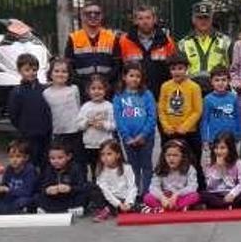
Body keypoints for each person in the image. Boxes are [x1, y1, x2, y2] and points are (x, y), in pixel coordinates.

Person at [158, 53, 204, 185]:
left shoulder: (194, 87)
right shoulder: (165, 86)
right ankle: (170, 187)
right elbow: (161, 109)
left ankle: (198, 190)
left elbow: (197, 110)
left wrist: (185, 126)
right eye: (173, 69)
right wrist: (166, 126)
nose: (176, 71)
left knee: (193, 162)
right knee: (170, 162)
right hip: (170, 133)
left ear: (186, 69)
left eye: (180, 68)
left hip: (189, 133)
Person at [113, 62, 157, 198]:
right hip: (128, 138)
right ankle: (135, 192)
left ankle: (146, 193)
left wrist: (143, 134)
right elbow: (118, 118)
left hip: (146, 137)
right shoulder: (118, 96)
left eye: (138, 76)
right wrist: (127, 137)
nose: (135, 79)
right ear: (124, 77)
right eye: (131, 75)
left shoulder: (147, 94)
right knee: (133, 167)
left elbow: (152, 116)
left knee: (146, 165)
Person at [117, 6, 178, 99]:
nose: (145, 22)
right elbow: (119, 69)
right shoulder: (124, 41)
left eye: (148, 18)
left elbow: (173, 70)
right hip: (132, 96)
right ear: (135, 21)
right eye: (140, 18)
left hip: (161, 95)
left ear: (154, 19)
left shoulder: (167, 41)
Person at [7, 53, 52, 171]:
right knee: (29, 164)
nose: (31, 73)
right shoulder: (16, 92)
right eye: (27, 70)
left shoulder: (44, 89)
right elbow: (13, 115)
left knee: (46, 163)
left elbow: (49, 110)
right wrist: (23, 127)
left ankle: (44, 186)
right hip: (28, 136)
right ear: (19, 71)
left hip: (45, 134)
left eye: (34, 69)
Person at [177, 0, 232, 94]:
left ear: (211, 19)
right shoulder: (183, 43)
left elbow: (233, 67)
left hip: (219, 89)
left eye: (206, 18)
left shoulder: (225, 41)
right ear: (193, 19)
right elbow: (178, 70)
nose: (203, 21)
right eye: (199, 18)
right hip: (191, 90)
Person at [64, 2, 121, 90]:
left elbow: (118, 65)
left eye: (97, 13)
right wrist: (83, 83)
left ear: (102, 16)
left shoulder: (112, 37)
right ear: (82, 16)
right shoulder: (73, 38)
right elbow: (69, 66)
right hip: (81, 88)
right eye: (88, 13)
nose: (93, 16)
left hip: (107, 87)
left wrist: (105, 82)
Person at [44, 57, 84, 170]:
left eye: (64, 71)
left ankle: (80, 183)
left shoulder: (74, 89)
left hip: (75, 131)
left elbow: (78, 106)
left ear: (69, 74)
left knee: (78, 160)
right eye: (56, 71)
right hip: (58, 133)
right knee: (61, 162)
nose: (60, 74)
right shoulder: (46, 93)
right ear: (50, 73)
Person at [143, 139, 200, 213]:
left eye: (175, 155)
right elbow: (153, 187)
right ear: (164, 156)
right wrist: (162, 198)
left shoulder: (189, 168)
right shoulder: (160, 168)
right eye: (168, 155)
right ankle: (164, 208)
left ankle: (174, 207)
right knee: (147, 197)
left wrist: (177, 194)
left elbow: (193, 186)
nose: (171, 158)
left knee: (195, 196)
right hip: (164, 198)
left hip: (180, 197)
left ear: (182, 156)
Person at [76, 75, 115, 180]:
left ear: (105, 90)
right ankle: (96, 189)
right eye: (93, 89)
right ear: (88, 91)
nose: (96, 91)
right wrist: (87, 122)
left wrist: (104, 125)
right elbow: (79, 125)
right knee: (94, 169)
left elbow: (114, 125)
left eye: (100, 88)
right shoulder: (85, 107)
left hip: (105, 144)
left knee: (107, 168)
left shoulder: (109, 106)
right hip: (90, 145)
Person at [88, 139, 137, 222]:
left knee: (137, 202)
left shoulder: (127, 168)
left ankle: (116, 210)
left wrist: (128, 203)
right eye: (102, 154)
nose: (105, 158)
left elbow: (132, 187)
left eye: (109, 154)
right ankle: (108, 210)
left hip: (124, 198)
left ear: (118, 155)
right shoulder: (101, 171)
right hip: (110, 200)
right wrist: (118, 204)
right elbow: (105, 191)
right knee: (93, 188)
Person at [34, 140, 88, 214]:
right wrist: (48, 190)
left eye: (60, 158)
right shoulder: (48, 169)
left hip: (70, 197)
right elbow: (41, 186)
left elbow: (82, 186)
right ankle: (46, 208)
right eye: (52, 158)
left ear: (68, 157)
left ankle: (75, 208)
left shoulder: (75, 168)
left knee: (84, 194)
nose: (56, 161)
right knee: (37, 196)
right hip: (54, 197)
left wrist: (70, 188)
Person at [0, 139, 37, 215]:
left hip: (23, 197)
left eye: (18, 157)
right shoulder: (9, 169)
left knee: (22, 201)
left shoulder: (30, 170)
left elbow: (27, 192)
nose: (14, 160)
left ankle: (1, 210)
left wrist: (8, 190)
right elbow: (4, 183)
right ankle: (10, 211)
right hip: (10, 197)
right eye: (11, 157)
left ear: (26, 158)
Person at [201, 132, 241, 209]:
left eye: (222, 148)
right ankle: (227, 205)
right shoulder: (210, 162)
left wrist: (232, 194)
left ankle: (224, 205)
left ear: (230, 148)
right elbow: (209, 186)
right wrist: (219, 169)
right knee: (203, 195)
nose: (218, 151)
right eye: (216, 148)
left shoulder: (237, 162)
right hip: (216, 193)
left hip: (232, 193)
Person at [200, 66, 241, 149]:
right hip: (214, 138)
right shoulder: (208, 99)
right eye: (217, 80)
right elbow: (205, 120)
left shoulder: (234, 98)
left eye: (224, 80)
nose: (220, 83)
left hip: (231, 138)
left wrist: (239, 134)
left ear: (229, 81)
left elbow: (239, 117)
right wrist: (205, 138)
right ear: (211, 82)